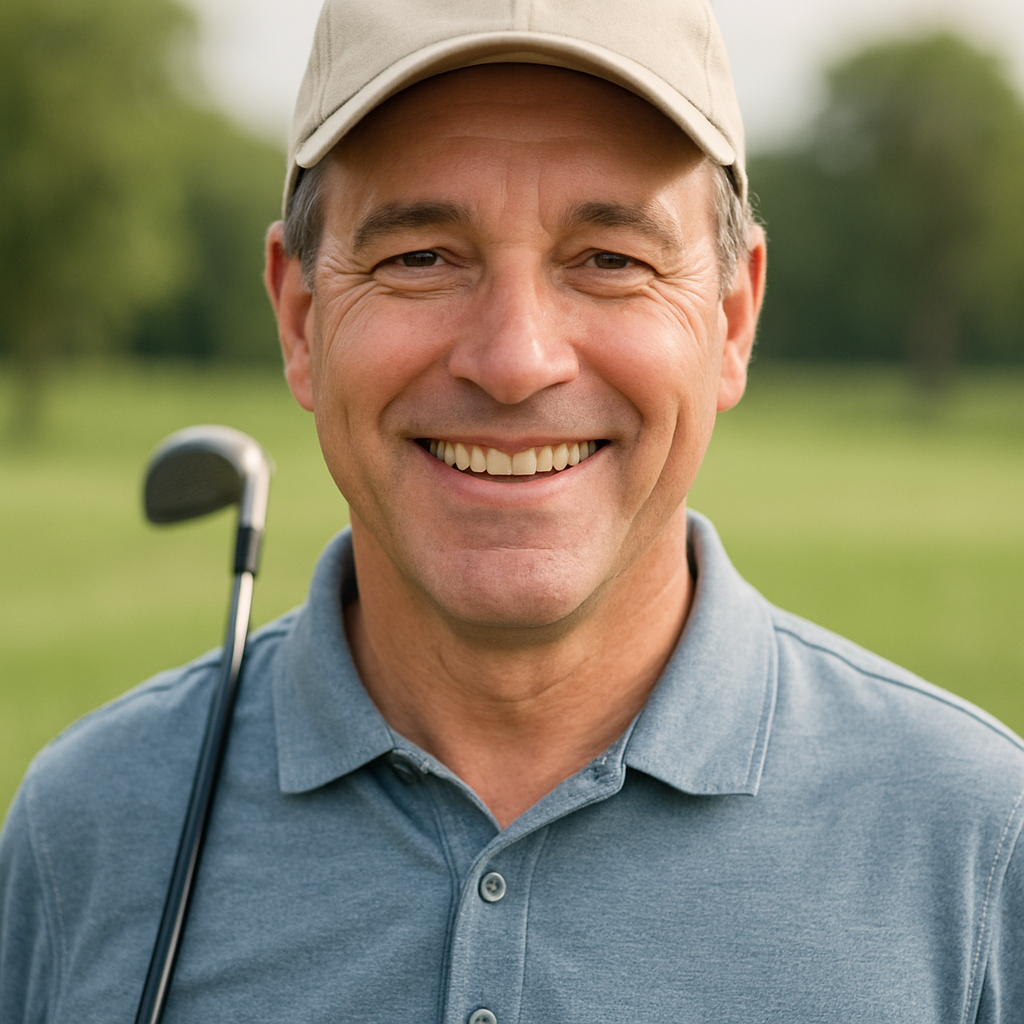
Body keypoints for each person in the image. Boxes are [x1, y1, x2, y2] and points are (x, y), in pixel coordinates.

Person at [2, 0, 1023, 1020]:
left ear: (731, 319)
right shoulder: (85, 830)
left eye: (610, 260)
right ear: (301, 317)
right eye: (420, 257)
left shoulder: (980, 843)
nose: (513, 359)